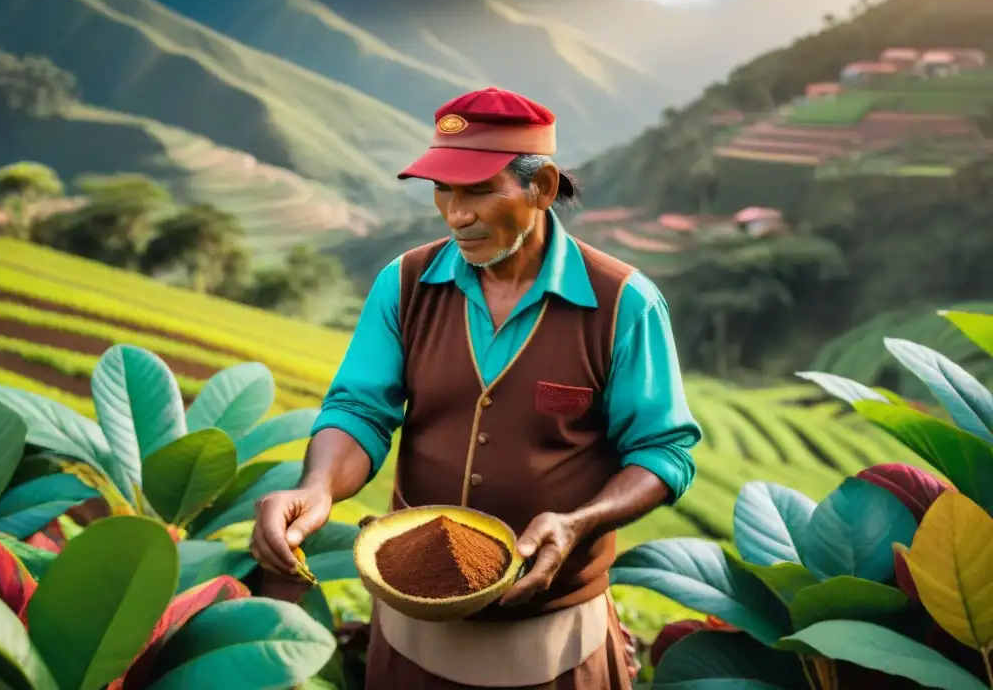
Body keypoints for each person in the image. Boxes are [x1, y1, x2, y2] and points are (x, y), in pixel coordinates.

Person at [251, 87, 703, 689]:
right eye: (444, 190)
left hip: (551, 637)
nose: (456, 213)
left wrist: (579, 521)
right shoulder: (406, 284)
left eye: (480, 191)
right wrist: (317, 486)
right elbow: (360, 410)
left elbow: (662, 451)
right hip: (413, 627)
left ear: (541, 188)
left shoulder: (624, 303)